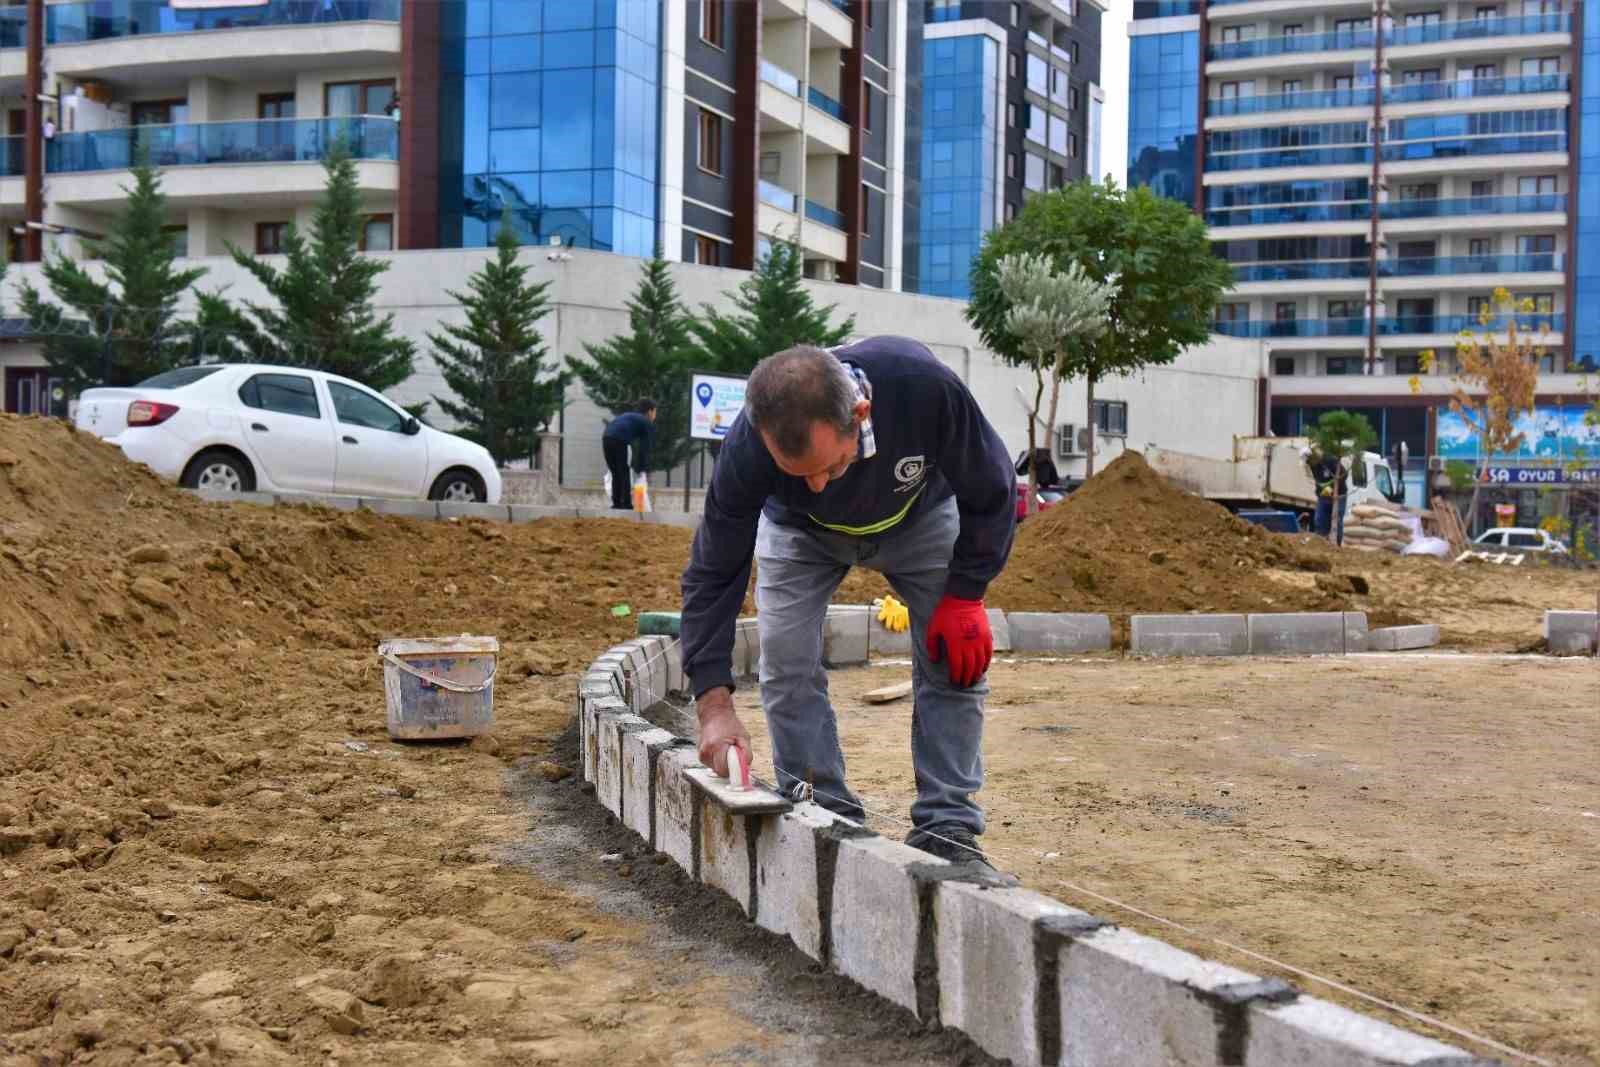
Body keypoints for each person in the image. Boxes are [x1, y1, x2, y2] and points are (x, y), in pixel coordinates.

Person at [681, 339, 1017, 870]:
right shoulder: (748, 444)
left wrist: (967, 593)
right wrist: (713, 705)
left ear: (860, 415)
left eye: (826, 466)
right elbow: (715, 567)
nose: (814, 484)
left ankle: (947, 829)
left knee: (953, 662)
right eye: (797, 473)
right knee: (786, 660)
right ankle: (821, 814)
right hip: (802, 535)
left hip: (920, 520)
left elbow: (993, 487)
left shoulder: (923, 389)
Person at [602, 399, 656, 510]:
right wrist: (642, 469)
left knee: (616, 472)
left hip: (606, 438)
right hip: (620, 440)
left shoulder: (630, 416)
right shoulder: (646, 422)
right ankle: (626, 505)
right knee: (624, 472)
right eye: (655, 412)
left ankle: (616, 504)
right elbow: (644, 448)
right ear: (650, 412)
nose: (655, 416)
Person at [1307, 446, 1346, 541]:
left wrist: (1332, 489)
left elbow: (1343, 474)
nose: (1310, 463)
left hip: (1338, 496)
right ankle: (1322, 542)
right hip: (1323, 496)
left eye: (1310, 460)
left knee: (1336, 522)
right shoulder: (1313, 464)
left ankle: (1336, 544)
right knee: (1319, 519)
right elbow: (1318, 480)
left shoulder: (1330, 460)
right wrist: (1320, 491)